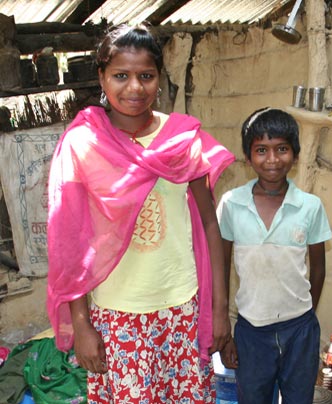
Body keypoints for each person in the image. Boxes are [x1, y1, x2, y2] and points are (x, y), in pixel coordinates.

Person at [46, 23, 235, 403]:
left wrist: (218, 310)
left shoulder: (183, 139)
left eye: (145, 76)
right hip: (117, 315)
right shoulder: (83, 145)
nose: (134, 88)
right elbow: (70, 243)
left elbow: (210, 224)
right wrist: (81, 324)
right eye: (121, 76)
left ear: (159, 79)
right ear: (102, 77)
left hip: (181, 309)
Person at [216, 108, 332, 404]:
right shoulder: (232, 204)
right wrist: (227, 331)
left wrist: (305, 320)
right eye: (261, 150)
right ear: (247, 156)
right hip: (251, 331)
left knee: (298, 399)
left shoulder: (310, 206)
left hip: (299, 331)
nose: (272, 159)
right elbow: (221, 268)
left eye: (281, 149)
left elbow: (318, 270)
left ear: (294, 154)